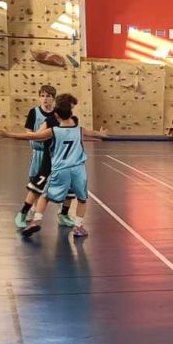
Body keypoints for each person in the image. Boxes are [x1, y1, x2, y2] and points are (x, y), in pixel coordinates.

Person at [17, 94, 106, 239]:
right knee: (80, 198)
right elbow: (91, 134)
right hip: (72, 167)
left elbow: (32, 136)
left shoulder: (57, 129)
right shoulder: (75, 128)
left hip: (59, 166)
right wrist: (100, 135)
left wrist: (8, 134)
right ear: (68, 110)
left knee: (46, 195)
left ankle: (40, 220)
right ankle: (78, 226)